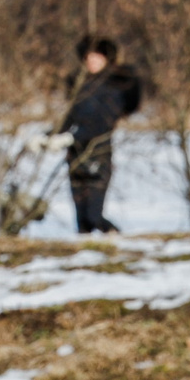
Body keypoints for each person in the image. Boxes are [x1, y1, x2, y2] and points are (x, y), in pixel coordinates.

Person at [58, 35, 144, 235]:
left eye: (96, 58)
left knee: (94, 216)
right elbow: (70, 117)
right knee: (81, 221)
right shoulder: (79, 85)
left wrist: (72, 137)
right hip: (75, 154)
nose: (91, 62)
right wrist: (50, 136)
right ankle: (86, 261)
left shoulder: (113, 87)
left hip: (99, 153)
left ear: (106, 60)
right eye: (88, 58)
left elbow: (101, 124)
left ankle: (117, 240)